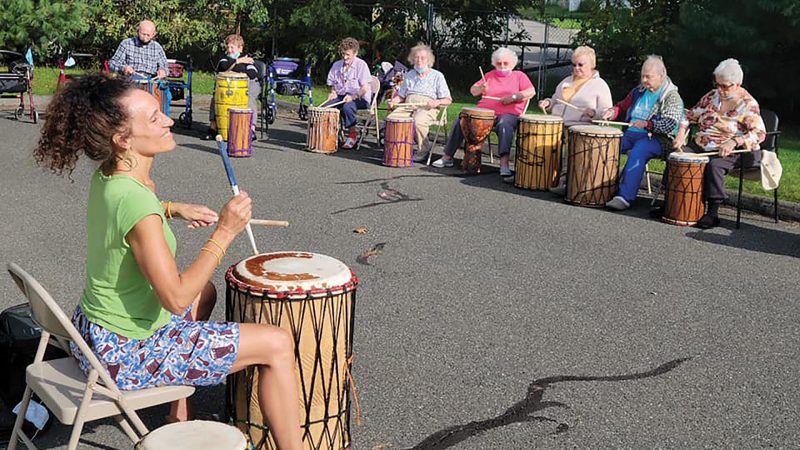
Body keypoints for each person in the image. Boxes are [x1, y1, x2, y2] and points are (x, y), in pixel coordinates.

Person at [33, 74, 303, 450]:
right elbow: (174, 299)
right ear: (123, 140)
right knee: (276, 343)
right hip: (125, 353)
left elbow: (132, 217)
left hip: (90, 335)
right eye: (155, 119)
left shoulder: (110, 177)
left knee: (203, 293)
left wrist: (173, 209)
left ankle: (179, 412)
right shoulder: (138, 205)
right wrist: (225, 232)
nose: (169, 121)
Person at [674, 58, 766, 229]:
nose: (720, 90)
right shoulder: (711, 96)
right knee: (678, 158)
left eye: (725, 86)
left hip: (734, 151)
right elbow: (688, 115)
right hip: (702, 143)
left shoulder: (748, 104)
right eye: (718, 85)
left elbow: (759, 134)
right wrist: (680, 135)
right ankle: (674, 202)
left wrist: (734, 141)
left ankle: (713, 212)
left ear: (738, 84)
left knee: (714, 165)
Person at [431, 47, 535, 179]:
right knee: (461, 120)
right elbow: (473, 91)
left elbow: (531, 92)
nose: (502, 66)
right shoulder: (489, 75)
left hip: (507, 114)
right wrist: (481, 88)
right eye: (499, 63)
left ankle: (504, 163)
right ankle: (447, 156)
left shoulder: (519, 76)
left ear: (513, 64)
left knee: (505, 124)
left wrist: (514, 97)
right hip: (484, 114)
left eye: (505, 63)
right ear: (494, 63)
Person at [602, 56, 683, 211]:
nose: (644, 80)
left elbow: (670, 124)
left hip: (657, 139)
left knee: (639, 150)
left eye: (648, 77)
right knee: (607, 144)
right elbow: (622, 107)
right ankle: (601, 187)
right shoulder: (638, 92)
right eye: (643, 76)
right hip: (630, 134)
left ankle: (624, 197)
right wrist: (612, 112)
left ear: (661, 76)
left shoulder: (672, 97)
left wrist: (647, 124)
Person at [538, 46, 613, 193]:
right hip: (557, 123)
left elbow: (607, 112)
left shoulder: (600, 85)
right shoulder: (566, 82)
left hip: (580, 126)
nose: (576, 68)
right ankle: (537, 176)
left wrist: (593, 113)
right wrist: (547, 103)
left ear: (592, 65)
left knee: (571, 138)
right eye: (574, 65)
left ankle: (565, 182)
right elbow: (555, 100)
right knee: (538, 136)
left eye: (581, 65)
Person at [386, 44, 452, 162]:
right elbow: (401, 96)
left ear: (429, 60)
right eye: (416, 57)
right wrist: (393, 101)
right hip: (408, 105)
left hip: (426, 107)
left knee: (418, 120)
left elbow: (448, 100)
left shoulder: (437, 76)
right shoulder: (409, 75)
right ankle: (398, 149)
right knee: (392, 119)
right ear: (412, 59)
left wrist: (437, 102)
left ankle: (423, 148)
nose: (419, 60)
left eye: (423, 58)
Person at [203, 34, 261, 141]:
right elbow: (223, 66)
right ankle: (213, 127)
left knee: (250, 98)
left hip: (246, 85)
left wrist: (234, 66)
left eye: (232, 48)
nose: (229, 50)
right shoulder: (224, 59)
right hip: (227, 85)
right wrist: (238, 62)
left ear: (240, 48)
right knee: (216, 98)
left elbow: (252, 73)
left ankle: (251, 128)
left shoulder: (247, 60)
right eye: (228, 47)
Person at [323, 37, 372, 149]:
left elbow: (365, 88)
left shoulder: (361, 65)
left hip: (360, 98)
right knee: (326, 108)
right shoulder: (337, 65)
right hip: (341, 96)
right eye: (343, 54)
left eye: (348, 55)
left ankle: (352, 135)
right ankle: (330, 136)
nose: (345, 57)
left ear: (355, 53)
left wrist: (353, 96)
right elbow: (333, 86)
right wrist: (333, 93)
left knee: (347, 107)